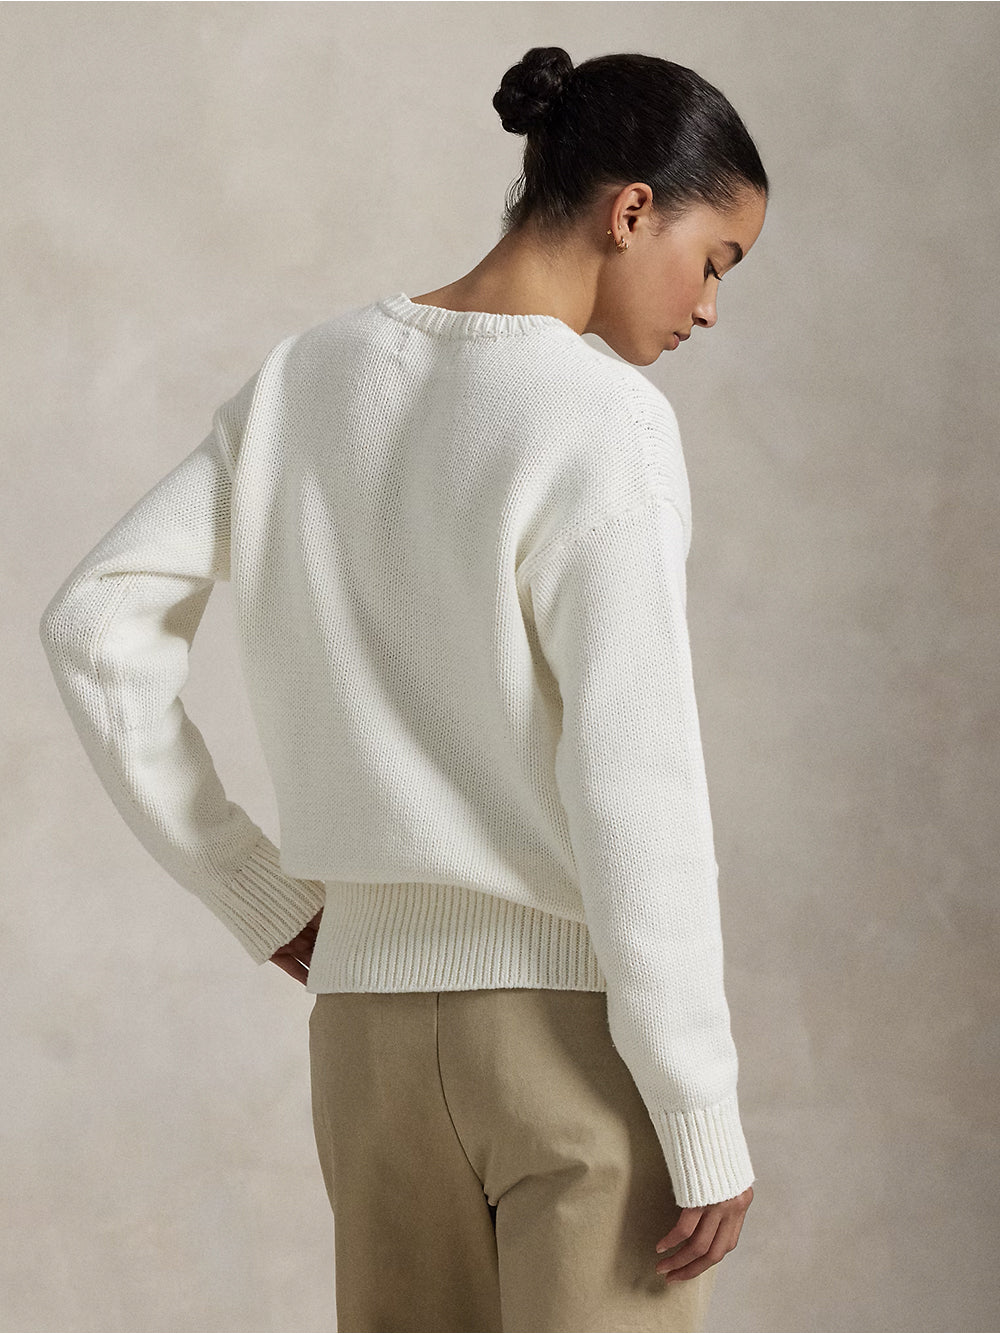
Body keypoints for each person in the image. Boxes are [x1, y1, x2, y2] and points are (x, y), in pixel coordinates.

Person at [38, 43, 767, 1334]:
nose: (708, 308)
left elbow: (94, 625)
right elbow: (634, 784)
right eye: (715, 260)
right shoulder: (603, 421)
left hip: (367, 1045)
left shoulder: (305, 379)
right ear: (632, 209)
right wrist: (699, 1105)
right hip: (572, 1046)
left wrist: (256, 889)